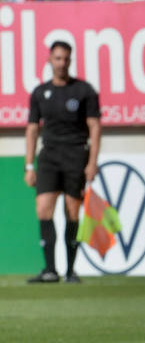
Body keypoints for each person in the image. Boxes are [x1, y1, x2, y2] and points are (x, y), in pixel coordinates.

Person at [24, 41, 100, 284]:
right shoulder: (39, 92)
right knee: (43, 209)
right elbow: (33, 129)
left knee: (72, 211)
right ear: (50, 60)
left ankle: (70, 270)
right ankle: (49, 270)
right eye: (57, 58)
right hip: (49, 156)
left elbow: (95, 128)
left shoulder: (84, 91)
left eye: (66, 59)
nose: (62, 63)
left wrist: (92, 162)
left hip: (76, 155)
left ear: (70, 60)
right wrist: (29, 165)